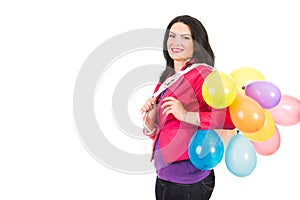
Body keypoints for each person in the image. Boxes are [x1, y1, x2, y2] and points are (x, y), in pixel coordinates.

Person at [140, 15, 235, 200]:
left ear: (197, 44)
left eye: (185, 37)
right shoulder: (167, 79)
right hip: (164, 176)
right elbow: (162, 130)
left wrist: (185, 114)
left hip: (189, 181)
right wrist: (150, 120)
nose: (176, 42)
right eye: (172, 36)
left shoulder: (203, 75)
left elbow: (226, 118)